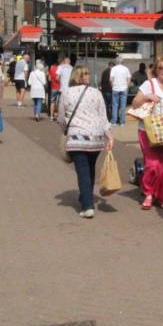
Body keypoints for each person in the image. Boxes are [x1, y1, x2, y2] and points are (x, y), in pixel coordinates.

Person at [60, 65, 114, 219]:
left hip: (77, 137)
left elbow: (61, 118)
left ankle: (87, 205)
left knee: (82, 170)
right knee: (90, 168)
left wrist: (65, 130)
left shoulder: (66, 93)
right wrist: (109, 136)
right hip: (96, 138)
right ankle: (86, 195)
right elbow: (103, 117)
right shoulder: (96, 93)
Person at [130, 56, 163, 210]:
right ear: (155, 70)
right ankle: (149, 193)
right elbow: (135, 103)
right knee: (152, 165)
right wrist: (147, 97)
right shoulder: (148, 84)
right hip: (148, 131)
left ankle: (161, 195)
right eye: (160, 68)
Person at [109, 61, 132, 126]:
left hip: (115, 88)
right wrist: (127, 86)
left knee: (115, 105)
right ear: (122, 62)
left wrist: (112, 86)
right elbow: (129, 79)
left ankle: (114, 121)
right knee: (123, 106)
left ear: (116, 62)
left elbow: (111, 79)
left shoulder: (113, 69)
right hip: (124, 88)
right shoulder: (126, 69)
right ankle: (122, 122)